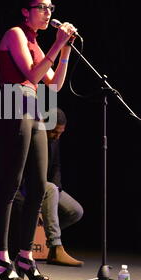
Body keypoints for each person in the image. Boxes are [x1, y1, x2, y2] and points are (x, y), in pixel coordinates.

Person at [0, 0, 78, 280]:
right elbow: (31, 75)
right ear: (26, 11)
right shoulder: (15, 34)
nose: (48, 13)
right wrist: (56, 45)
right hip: (12, 104)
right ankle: (0, 258)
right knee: (11, 183)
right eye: (42, 7)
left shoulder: (36, 42)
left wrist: (64, 51)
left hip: (34, 107)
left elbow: (53, 86)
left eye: (51, 8)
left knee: (38, 186)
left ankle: (26, 256)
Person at [12, 108, 84, 266]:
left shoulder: (54, 140)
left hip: (46, 187)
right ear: (44, 124)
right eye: (54, 132)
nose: (57, 137)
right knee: (50, 189)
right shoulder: (31, 136)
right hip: (26, 186)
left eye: (61, 133)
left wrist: (58, 189)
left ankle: (42, 235)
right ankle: (55, 247)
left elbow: (56, 166)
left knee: (76, 211)